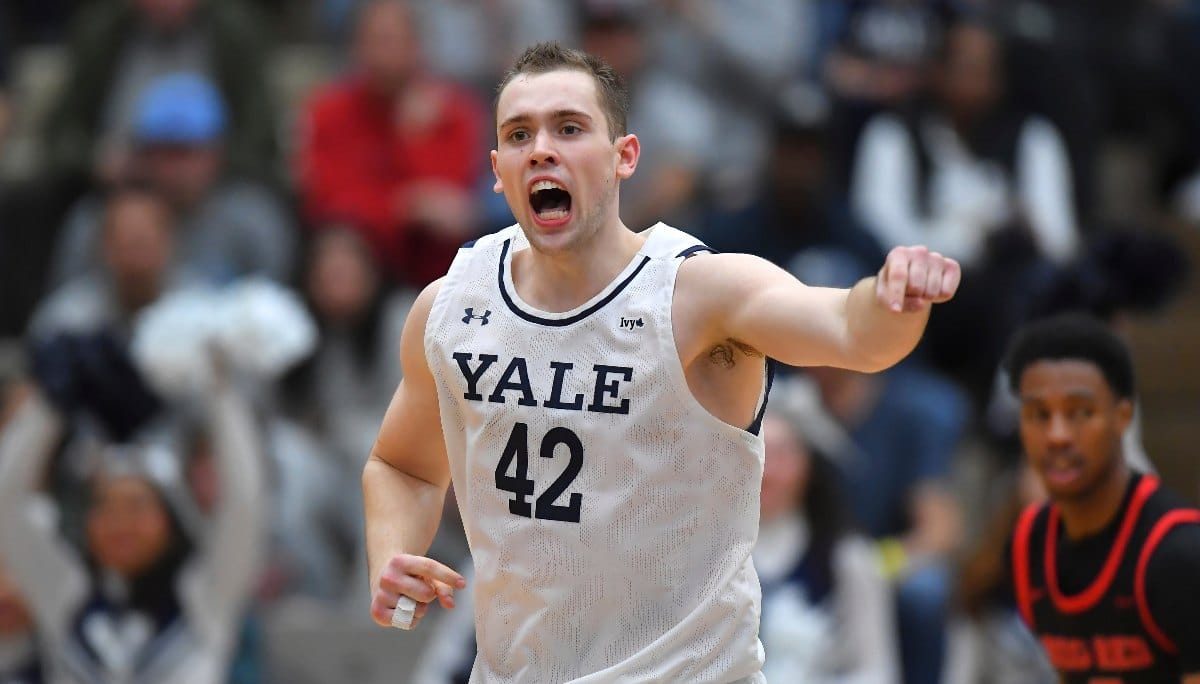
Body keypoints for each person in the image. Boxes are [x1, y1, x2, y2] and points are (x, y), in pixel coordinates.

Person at [361, 42, 961, 682]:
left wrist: (897, 295)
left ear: (625, 157)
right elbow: (402, 465)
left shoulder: (698, 295)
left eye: (569, 128)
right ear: (497, 169)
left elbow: (850, 329)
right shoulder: (453, 305)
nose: (541, 148)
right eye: (518, 134)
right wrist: (392, 555)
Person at [1005, 314, 1200, 682]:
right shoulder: (1028, 545)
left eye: (1080, 413)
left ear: (1122, 417)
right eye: (1039, 414)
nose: (1057, 435)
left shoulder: (1180, 556)